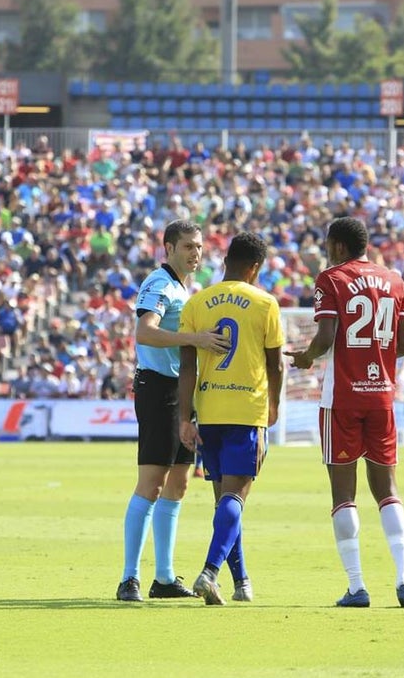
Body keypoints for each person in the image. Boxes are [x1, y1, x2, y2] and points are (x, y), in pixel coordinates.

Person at [284, 217, 404, 609]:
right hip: (381, 397)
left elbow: (326, 337)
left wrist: (305, 357)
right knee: (388, 491)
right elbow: (403, 346)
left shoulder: (331, 279)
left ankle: (357, 586)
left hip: (342, 399)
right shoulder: (394, 281)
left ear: (338, 246)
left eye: (328, 246)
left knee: (344, 495)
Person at [116, 220, 231, 603]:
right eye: (187, 246)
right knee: (151, 482)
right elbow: (144, 331)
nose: (195, 253)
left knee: (178, 484)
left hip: (181, 390)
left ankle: (163, 577)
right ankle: (129, 577)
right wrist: (194, 339)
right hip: (157, 388)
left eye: (198, 246)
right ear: (168, 248)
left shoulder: (183, 288)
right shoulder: (159, 283)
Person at [177, 232, 285, 605]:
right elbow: (275, 364)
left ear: (225, 262)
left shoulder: (197, 302)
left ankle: (241, 582)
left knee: (225, 502)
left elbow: (187, 365)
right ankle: (210, 572)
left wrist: (185, 417)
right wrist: (274, 405)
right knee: (235, 497)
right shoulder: (265, 303)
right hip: (246, 410)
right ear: (255, 267)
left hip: (209, 410)